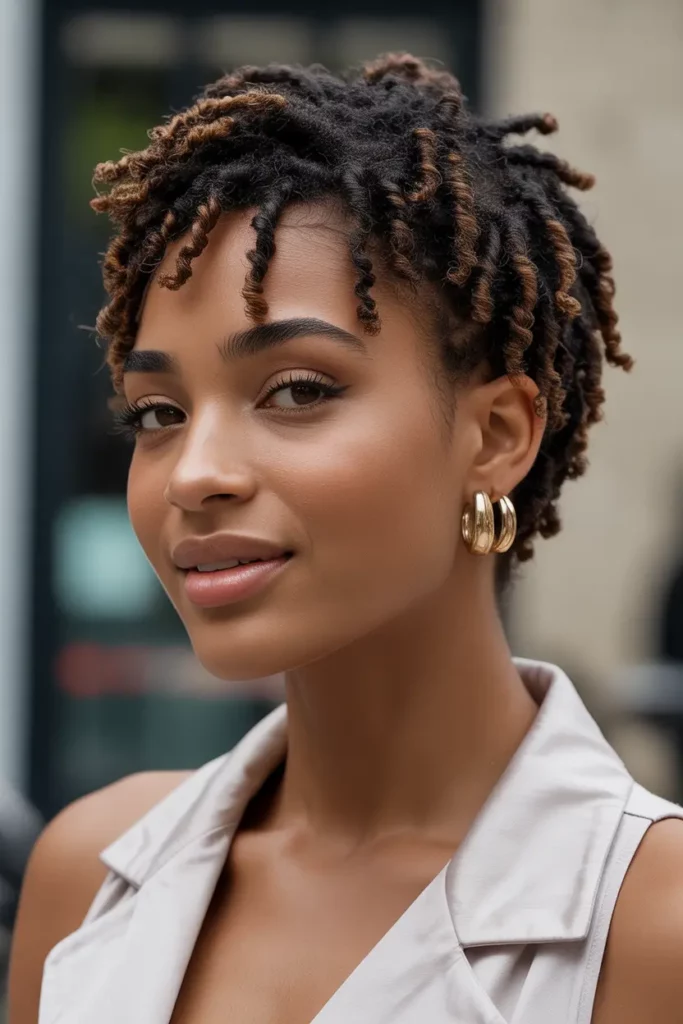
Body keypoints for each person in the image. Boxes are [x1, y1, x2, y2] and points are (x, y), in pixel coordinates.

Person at [9, 52, 683, 1024]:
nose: (195, 472)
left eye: (296, 390)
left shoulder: (649, 925)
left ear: (493, 436)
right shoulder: (90, 876)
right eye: (156, 412)